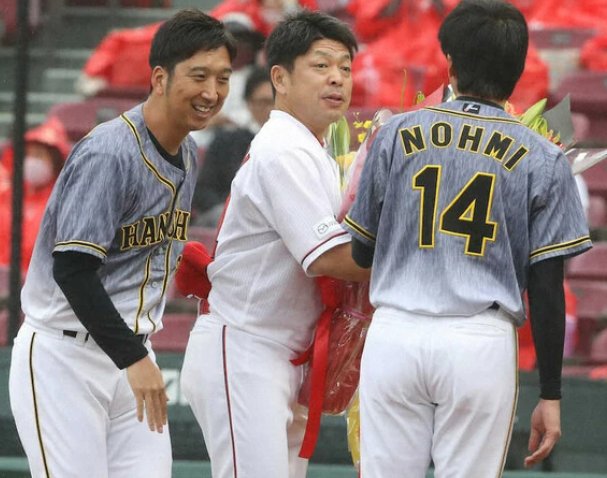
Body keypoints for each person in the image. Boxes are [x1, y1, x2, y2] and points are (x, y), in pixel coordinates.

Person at [343, 1, 592, 476]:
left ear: (451, 64)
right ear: (518, 71)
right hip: (478, 341)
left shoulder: (394, 133)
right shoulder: (544, 157)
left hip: (396, 333)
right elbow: (546, 288)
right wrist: (551, 393)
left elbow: (360, 251)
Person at [8, 10, 235, 478]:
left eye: (222, 78)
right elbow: (72, 269)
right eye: (198, 76)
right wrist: (133, 357)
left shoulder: (188, 150)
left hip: (131, 351)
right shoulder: (109, 152)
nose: (212, 92)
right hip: (65, 357)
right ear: (160, 78)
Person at [180, 10, 367, 478]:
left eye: (345, 68)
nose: (337, 78)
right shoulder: (283, 148)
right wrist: (418, 251)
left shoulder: (314, 149)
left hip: (283, 353)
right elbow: (329, 258)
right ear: (279, 78)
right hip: (246, 345)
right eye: (321, 65)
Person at [191, 65, 273, 227]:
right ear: (249, 103)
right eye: (263, 102)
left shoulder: (289, 143)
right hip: (228, 215)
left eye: (274, 102)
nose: (270, 109)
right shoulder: (227, 141)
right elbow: (203, 191)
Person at [0, 117, 71, 273]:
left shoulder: (64, 203)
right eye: (28, 154)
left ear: (55, 161)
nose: (31, 161)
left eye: (39, 155)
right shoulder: (6, 196)